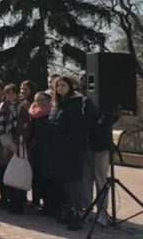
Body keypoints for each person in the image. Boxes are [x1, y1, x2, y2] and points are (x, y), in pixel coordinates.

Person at [45, 76, 96, 231]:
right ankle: (68, 210)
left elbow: (79, 128)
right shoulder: (57, 104)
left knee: (74, 183)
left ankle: (77, 214)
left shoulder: (78, 102)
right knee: (65, 183)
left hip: (72, 150)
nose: (60, 88)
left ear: (70, 86)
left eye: (63, 85)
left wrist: (69, 143)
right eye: (58, 86)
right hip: (58, 150)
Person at [0, 83, 30, 214]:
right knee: (6, 174)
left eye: (13, 92)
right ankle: (8, 201)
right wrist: (6, 143)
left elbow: (25, 127)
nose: (11, 95)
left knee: (18, 174)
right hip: (4, 145)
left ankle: (19, 203)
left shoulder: (22, 107)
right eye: (8, 93)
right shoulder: (2, 106)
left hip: (19, 146)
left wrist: (17, 144)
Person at [27, 91, 63, 216]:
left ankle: (53, 206)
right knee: (38, 178)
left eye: (43, 99)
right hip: (36, 151)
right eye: (37, 100)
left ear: (49, 100)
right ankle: (42, 204)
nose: (40, 102)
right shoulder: (33, 114)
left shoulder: (52, 113)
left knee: (50, 179)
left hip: (50, 151)